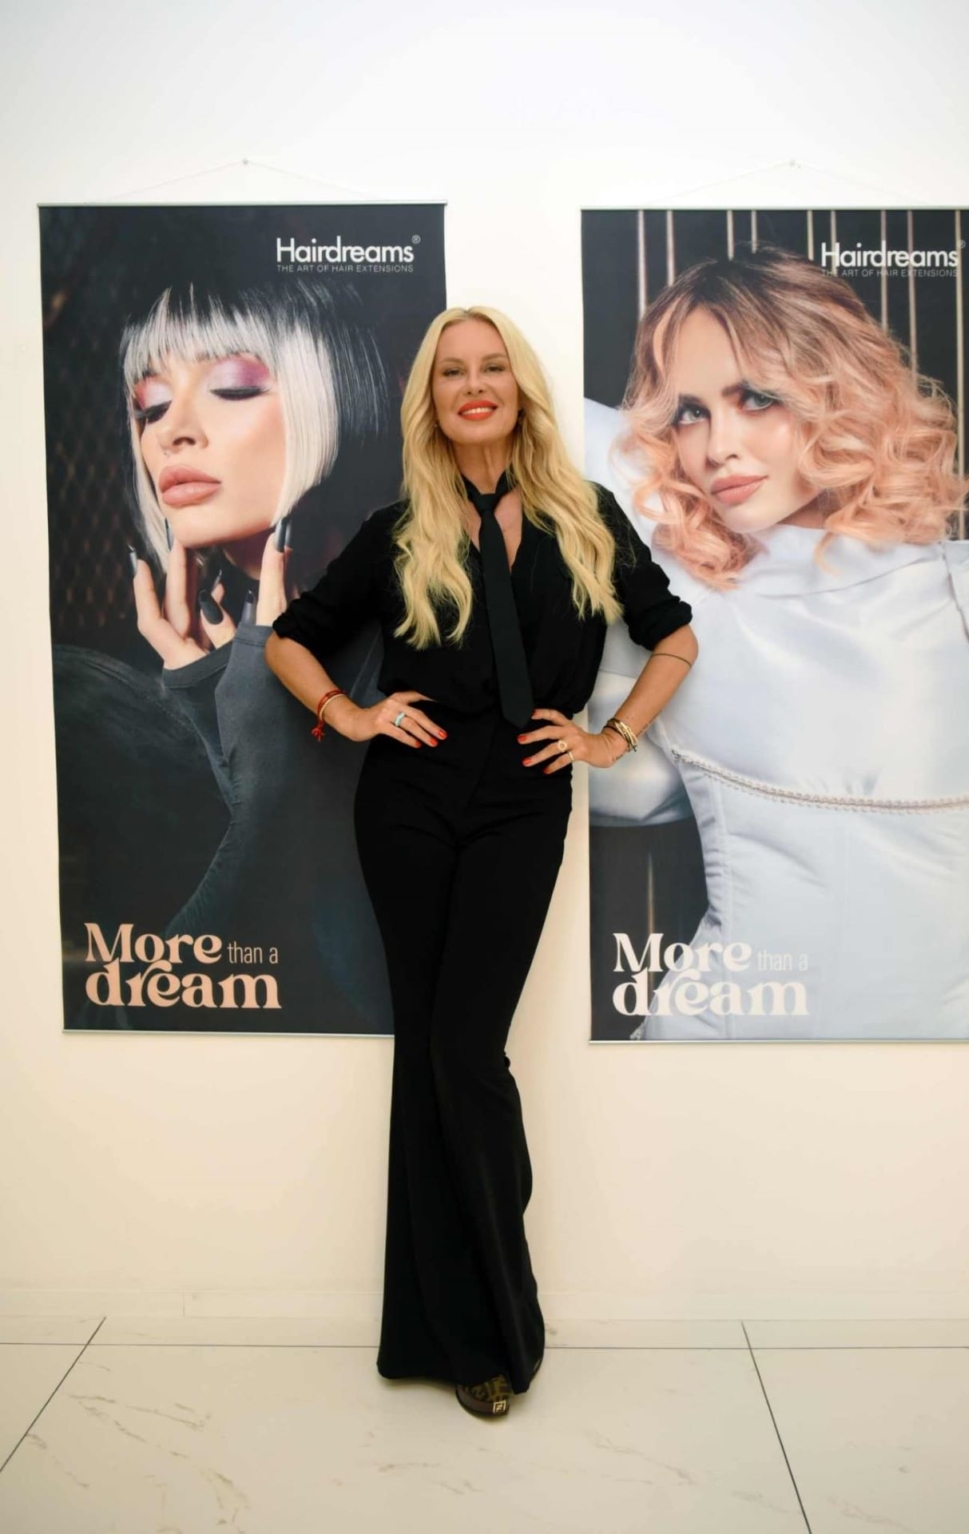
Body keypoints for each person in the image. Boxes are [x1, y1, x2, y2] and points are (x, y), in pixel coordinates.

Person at [266, 305, 697, 1415]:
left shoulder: (586, 515)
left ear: (519, 386)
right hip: (407, 801)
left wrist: (611, 737)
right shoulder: (399, 525)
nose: (473, 386)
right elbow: (291, 637)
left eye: (490, 367)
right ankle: (456, 1336)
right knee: (433, 1050)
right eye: (452, 372)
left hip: (524, 800)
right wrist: (349, 716)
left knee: (466, 1050)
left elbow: (675, 636)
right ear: (432, 397)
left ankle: (495, 1314)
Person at [585, 245, 969, 1041]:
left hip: (956, 1099)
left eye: (757, 397)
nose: (717, 446)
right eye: (691, 411)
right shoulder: (691, 596)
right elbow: (541, 414)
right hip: (713, 1068)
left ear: (839, 392)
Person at [59, 278, 397, 1030]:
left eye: (232, 389)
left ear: (332, 397)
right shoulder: (214, 640)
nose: (170, 432)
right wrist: (206, 689)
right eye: (149, 405)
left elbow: (362, 981)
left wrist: (239, 704)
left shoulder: (404, 631)